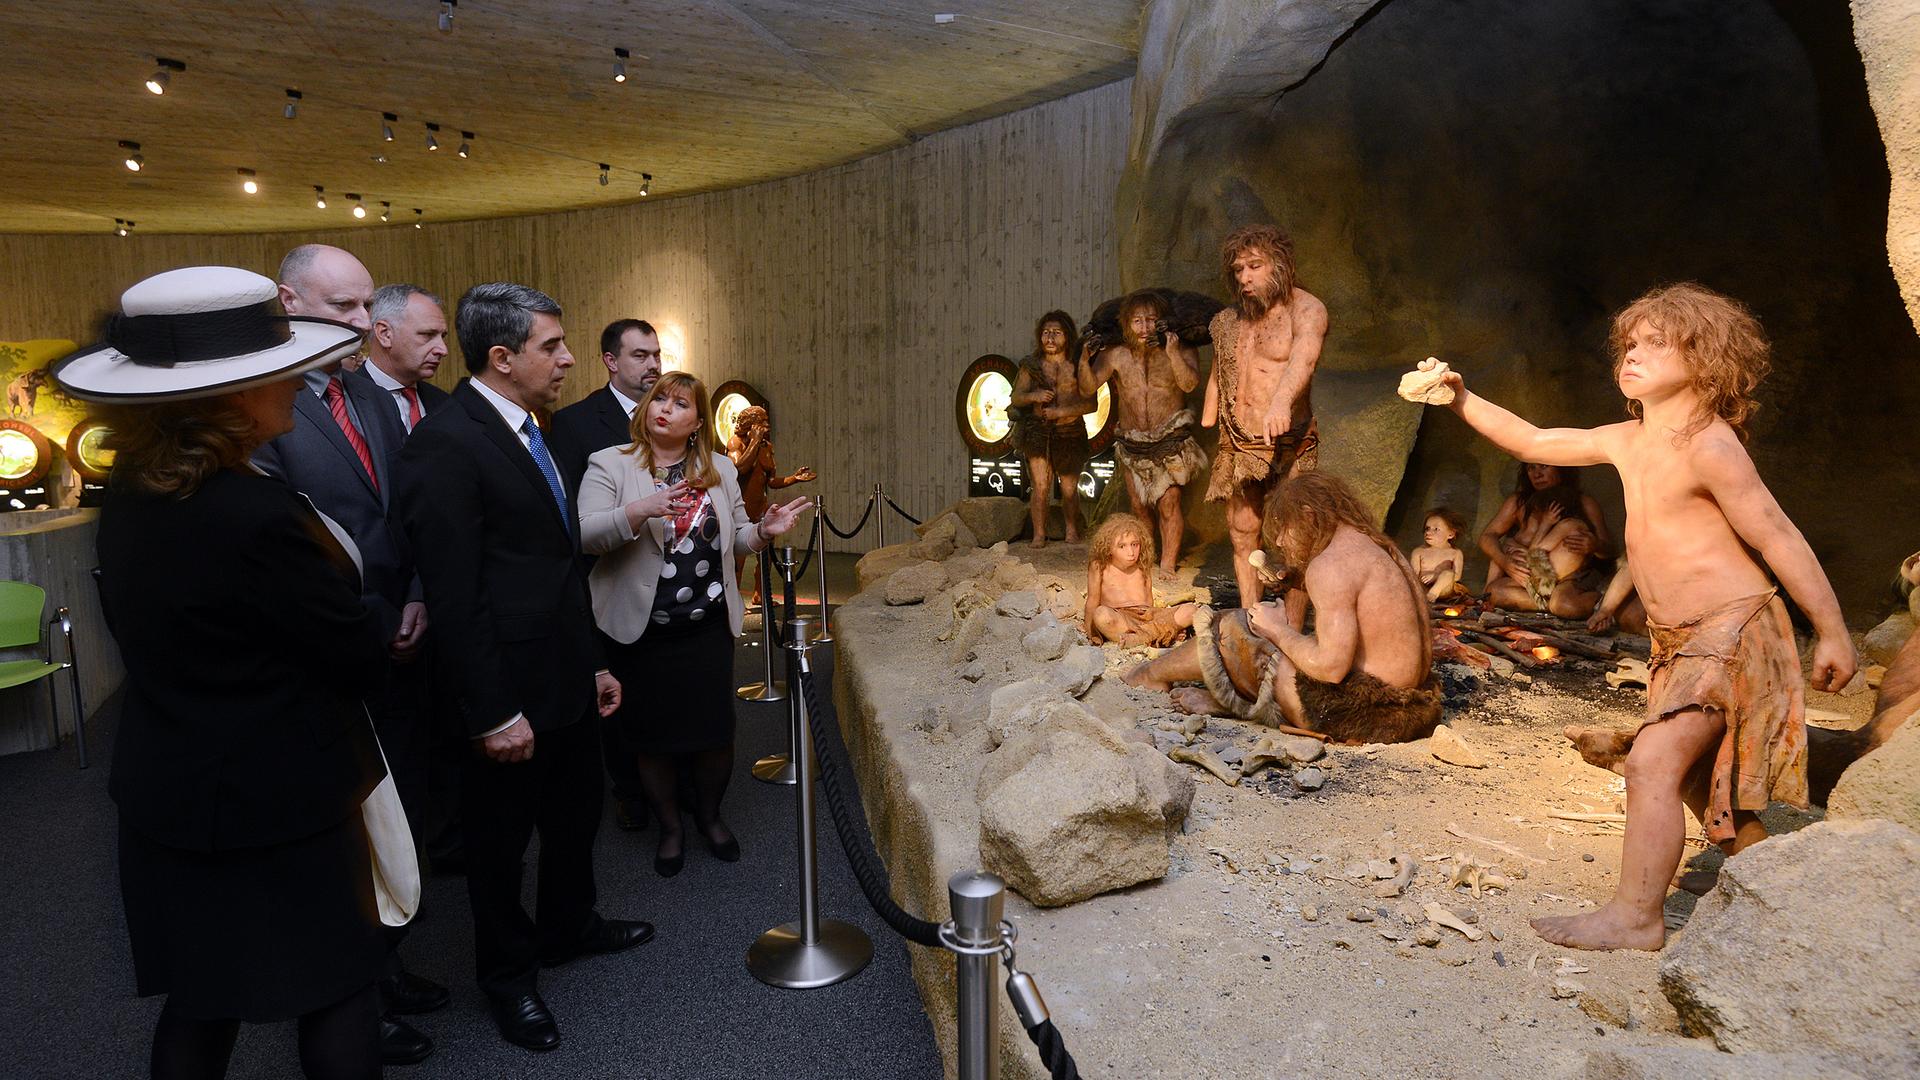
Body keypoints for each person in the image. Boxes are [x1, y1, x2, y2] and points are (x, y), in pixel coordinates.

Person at [1409, 282, 1856, 951]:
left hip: (1729, 631)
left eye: (1655, 343)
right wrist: (1463, 398)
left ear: (1707, 360)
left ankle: (1636, 917)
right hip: (1677, 640)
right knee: (1704, 784)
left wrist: (1832, 628)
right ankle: (1782, 899)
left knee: (1652, 764)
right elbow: (1534, 436)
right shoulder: (1629, 438)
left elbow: (1778, 537)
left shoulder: (1711, 445)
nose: (1632, 356)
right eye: (1629, 344)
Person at [56, 265, 389, 1079]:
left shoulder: (133, 495)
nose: (293, 385)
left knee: (204, 1000)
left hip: (172, 789)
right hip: (279, 799)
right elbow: (352, 652)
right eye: (278, 373)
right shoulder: (254, 513)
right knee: (339, 989)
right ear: (234, 397)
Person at [395, 283, 654, 1053]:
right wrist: (491, 712)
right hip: (506, 692)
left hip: (566, 672)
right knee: (500, 845)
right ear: (503, 358)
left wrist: (594, 664)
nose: (569, 358)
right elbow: (456, 593)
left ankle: (570, 926)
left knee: (576, 817)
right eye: (553, 346)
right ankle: (508, 978)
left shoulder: (529, 431)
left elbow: (554, 566)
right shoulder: (447, 442)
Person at [255, 246, 443, 1063]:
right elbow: (276, 548)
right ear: (287, 300)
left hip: (398, 639)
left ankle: (387, 970)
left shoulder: (364, 393)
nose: (364, 324)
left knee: (401, 818)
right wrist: (367, 618)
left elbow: (396, 514)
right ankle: (356, 1003)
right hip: (324, 660)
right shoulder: (260, 407)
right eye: (343, 308)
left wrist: (415, 598)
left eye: (369, 307)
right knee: (343, 843)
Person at [579, 371, 811, 876]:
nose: (664, 407)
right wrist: (640, 510)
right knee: (653, 737)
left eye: (679, 403)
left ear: (697, 421)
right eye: (658, 398)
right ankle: (670, 828)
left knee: (714, 733)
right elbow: (586, 535)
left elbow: (737, 540)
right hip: (642, 633)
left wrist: (764, 532)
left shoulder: (720, 469)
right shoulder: (610, 463)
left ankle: (709, 818)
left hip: (705, 628)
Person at [1124, 472, 1442, 744]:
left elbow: (1331, 669)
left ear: (1308, 515)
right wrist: (1298, 582)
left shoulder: (1330, 566)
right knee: (1263, 634)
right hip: (1414, 707)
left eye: (1284, 531)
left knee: (1238, 627)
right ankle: (1221, 700)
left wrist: (1277, 629)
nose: (1284, 544)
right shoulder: (1375, 544)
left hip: (1362, 715)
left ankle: (1149, 675)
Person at [549, 317, 665, 833]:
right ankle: (630, 792)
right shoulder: (574, 424)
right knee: (622, 690)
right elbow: (570, 517)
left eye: (657, 354)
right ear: (611, 362)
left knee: (673, 689)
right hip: (610, 579)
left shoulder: (679, 413)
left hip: (675, 583)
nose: (654, 365)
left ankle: (674, 785)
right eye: (641, 355)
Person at [1204, 225, 1328, 619]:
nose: (1245, 278)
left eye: (1255, 266)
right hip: (1241, 444)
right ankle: (1250, 618)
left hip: (1289, 441)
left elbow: (1303, 360)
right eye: (1239, 269)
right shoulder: (1229, 320)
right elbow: (1220, 368)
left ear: (1280, 265)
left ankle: (1291, 625)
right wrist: (1211, 411)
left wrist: (1280, 403)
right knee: (1243, 531)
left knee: (1297, 538)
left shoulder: (1307, 310)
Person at [1078, 290, 1205, 574]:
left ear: (1162, 322)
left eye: (1151, 320)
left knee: (1169, 504)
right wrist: (1084, 360)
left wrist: (1172, 353)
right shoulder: (1115, 354)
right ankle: (1146, 561)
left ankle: (1168, 565)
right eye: (1138, 321)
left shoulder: (1181, 348)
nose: (1145, 327)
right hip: (1132, 442)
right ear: (1126, 324)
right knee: (1139, 506)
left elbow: (1189, 385)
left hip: (1170, 438)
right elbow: (1088, 387)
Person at [1010, 311, 1093, 546]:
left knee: (1068, 489)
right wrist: (1034, 396)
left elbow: (1091, 404)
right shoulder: (1031, 366)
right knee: (1040, 486)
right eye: (1046, 332)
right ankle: (1038, 534)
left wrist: (1060, 413)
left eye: (1056, 333)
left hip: (1070, 433)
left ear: (1067, 336)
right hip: (1038, 433)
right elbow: (1016, 397)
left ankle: (1071, 530)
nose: (1050, 338)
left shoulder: (1078, 366)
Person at [1477, 461, 1615, 594]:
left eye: (1544, 466)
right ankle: (1548, 603)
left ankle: (1556, 602)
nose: (1537, 474)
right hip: (1527, 580)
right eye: (1531, 468)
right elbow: (1487, 536)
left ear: (1561, 467)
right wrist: (1504, 561)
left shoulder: (1584, 503)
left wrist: (1594, 545)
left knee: (1566, 604)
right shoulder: (1518, 503)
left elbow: (1610, 551)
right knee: (1495, 588)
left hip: (1565, 580)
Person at [1484, 486, 1603, 618]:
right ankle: (1548, 605)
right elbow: (1538, 552)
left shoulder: (1569, 525)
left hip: (1564, 582)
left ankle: (1600, 600)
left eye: (1540, 513)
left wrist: (1545, 523)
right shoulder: (1561, 527)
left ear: (1554, 511)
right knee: (1494, 591)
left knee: (1563, 605)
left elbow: (1536, 549)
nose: (1537, 517)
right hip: (1545, 583)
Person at [1084, 512, 1195, 646]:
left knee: (1191, 610)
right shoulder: (1099, 566)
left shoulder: (1142, 563)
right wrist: (1091, 632)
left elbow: (1149, 600)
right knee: (1101, 615)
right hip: (1121, 617)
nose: (1131, 552)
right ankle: (1162, 634)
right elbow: (1092, 600)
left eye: (1135, 545)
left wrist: (1158, 619)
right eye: (1122, 546)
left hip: (1148, 616)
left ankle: (1141, 638)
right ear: (1108, 548)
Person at [364, 284, 452, 435]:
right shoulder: (344, 403)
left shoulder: (444, 403)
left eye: (442, 336)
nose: (443, 350)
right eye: (427, 335)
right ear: (385, 334)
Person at [1411, 507, 1470, 603]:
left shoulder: (1455, 553)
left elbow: (1457, 576)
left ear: (1450, 534)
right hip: (1423, 588)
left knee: (1449, 573)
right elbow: (1414, 574)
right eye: (1427, 528)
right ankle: (1423, 597)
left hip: (1444, 590)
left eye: (1436, 529)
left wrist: (1435, 576)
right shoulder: (1418, 551)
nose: (1428, 532)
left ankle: (1432, 595)